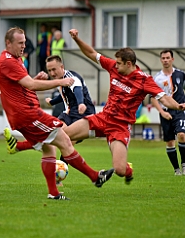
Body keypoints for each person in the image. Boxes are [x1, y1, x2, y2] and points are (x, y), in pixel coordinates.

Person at [0, 27, 114, 200]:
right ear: (8, 43)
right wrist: (61, 81)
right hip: (28, 114)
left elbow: (22, 86)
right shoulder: (9, 61)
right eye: (20, 43)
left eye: (24, 42)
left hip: (23, 114)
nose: (23, 46)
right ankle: (95, 177)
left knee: (49, 148)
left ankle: (54, 193)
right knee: (65, 141)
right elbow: (31, 86)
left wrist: (35, 79)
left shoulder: (14, 59)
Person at [62, 29, 185, 184]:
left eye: (119, 63)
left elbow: (165, 99)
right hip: (103, 118)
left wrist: (179, 107)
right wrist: (77, 39)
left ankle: (128, 170)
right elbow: (92, 54)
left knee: (120, 170)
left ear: (129, 64)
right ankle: (91, 175)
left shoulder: (144, 80)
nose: (116, 66)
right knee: (63, 135)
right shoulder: (114, 67)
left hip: (120, 126)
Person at [151, 49, 185, 176]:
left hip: (180, 110)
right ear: (161, 60)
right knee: (170, 142)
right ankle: (177, 169)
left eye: (167, 58)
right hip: (165, 112)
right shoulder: (157, 78)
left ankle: (184, 164)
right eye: (163, 58)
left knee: (182, 135)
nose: (165, 60)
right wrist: (161, 112)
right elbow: (153, 98)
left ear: (172, 59)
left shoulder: (181, 75)